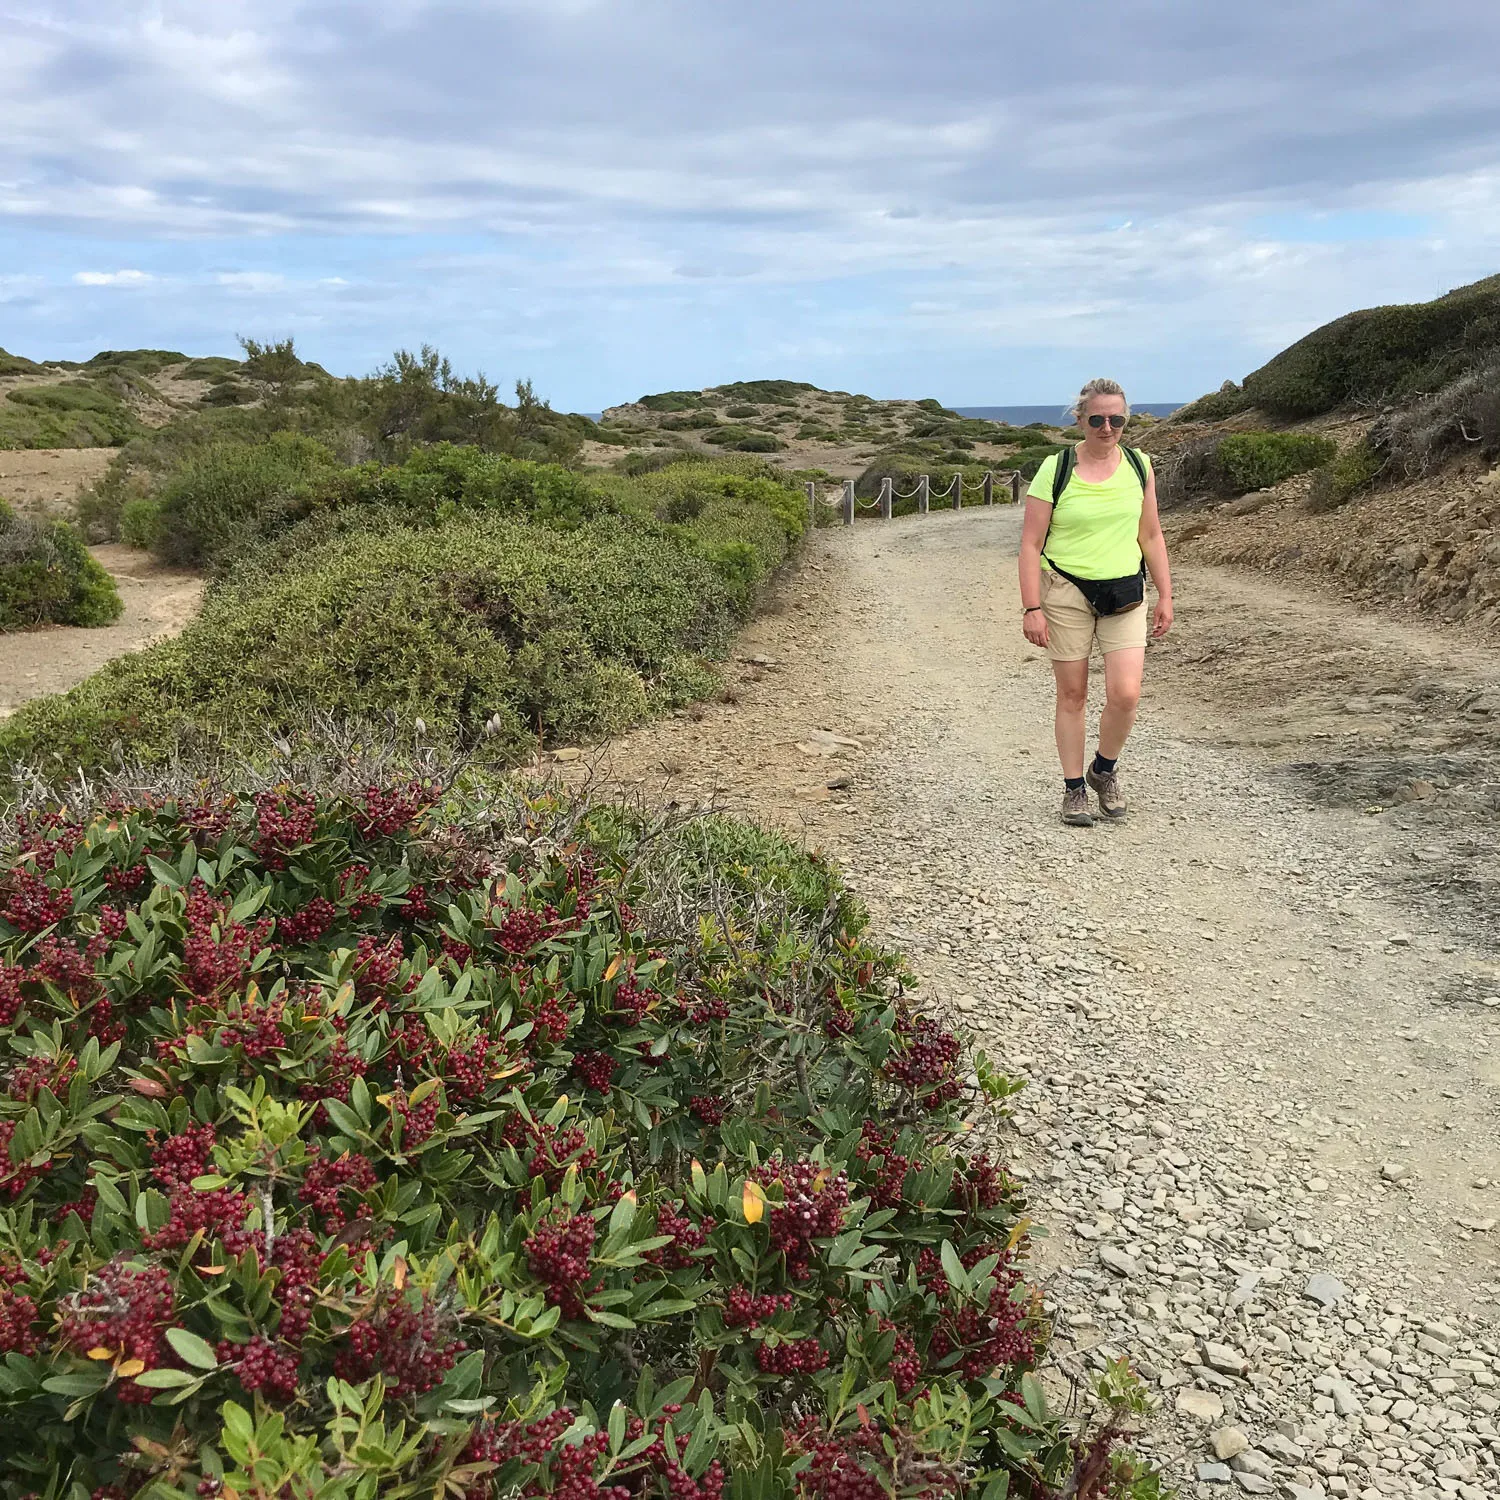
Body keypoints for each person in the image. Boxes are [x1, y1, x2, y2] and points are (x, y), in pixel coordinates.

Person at [1016, 378, 1173, 827]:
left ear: (1126, 421)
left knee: (1126, 694)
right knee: (1073, 694)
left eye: (1117, 419)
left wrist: (1166, 593)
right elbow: (1030, 544)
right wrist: (1032, 607)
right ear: (1081, 420)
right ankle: (1073, 790)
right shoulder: (1056, 467)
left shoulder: (1140, 465)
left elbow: (1151, 534)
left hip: (1126, 591)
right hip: (1066, 591)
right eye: (1098, 419)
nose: (1107, 428)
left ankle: (1103, 770)